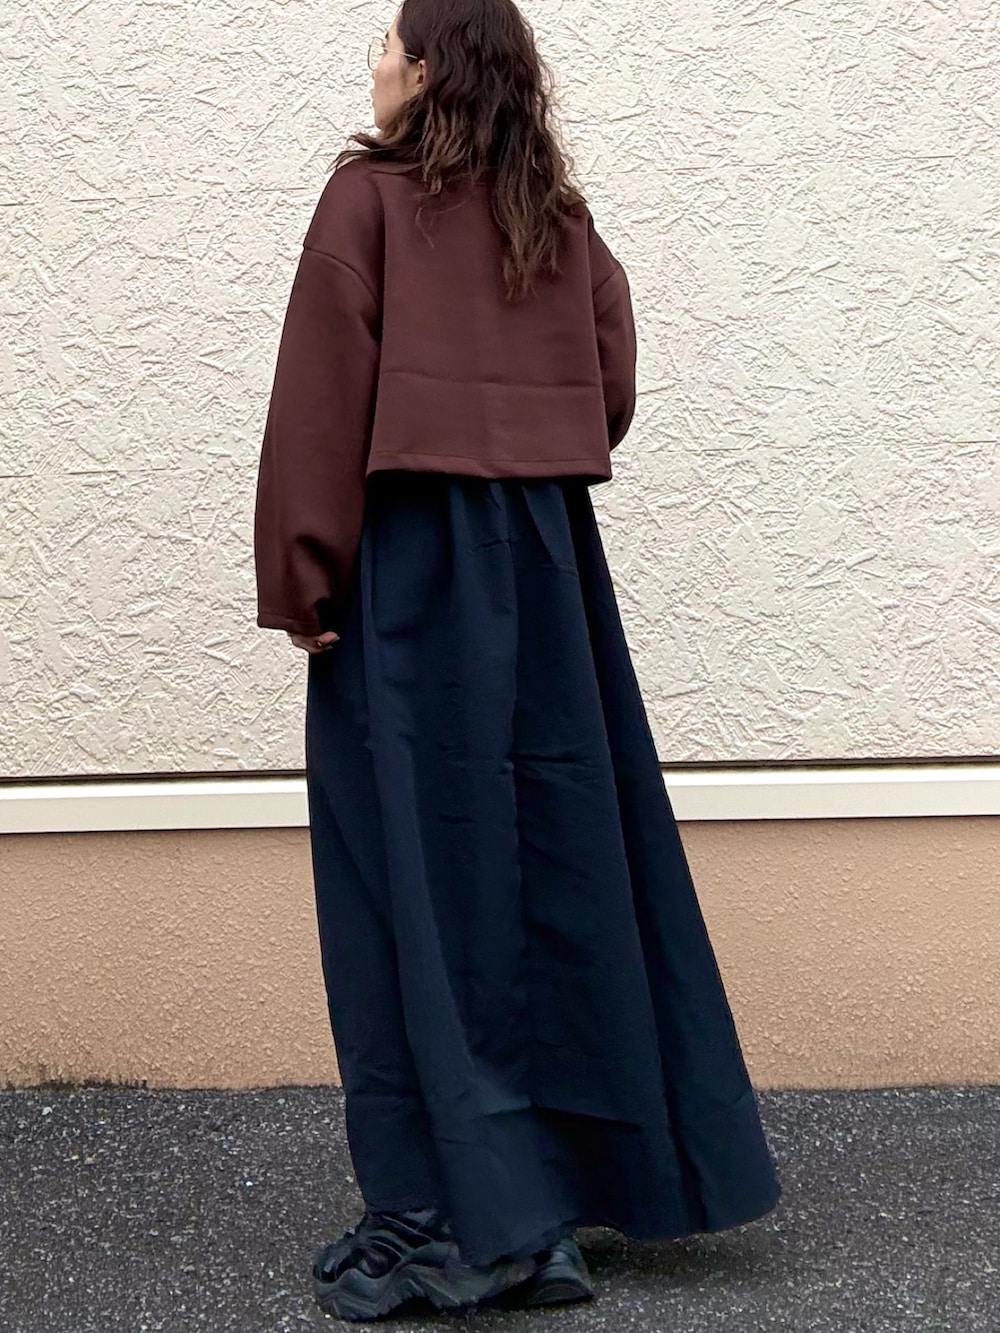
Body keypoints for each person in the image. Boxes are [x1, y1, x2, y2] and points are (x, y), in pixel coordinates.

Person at [253, 0, 782, 1321]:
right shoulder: (556, 215)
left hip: (409, 573)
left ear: (429, 67)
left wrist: (304, 572)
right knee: (558, 860)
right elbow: (611, 382)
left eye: (390, 41)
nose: (377, 62)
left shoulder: (367, 204)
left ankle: (454, 1213)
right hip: (546, 575)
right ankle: (548, 1205)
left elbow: (321, 392)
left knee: (412, 886)